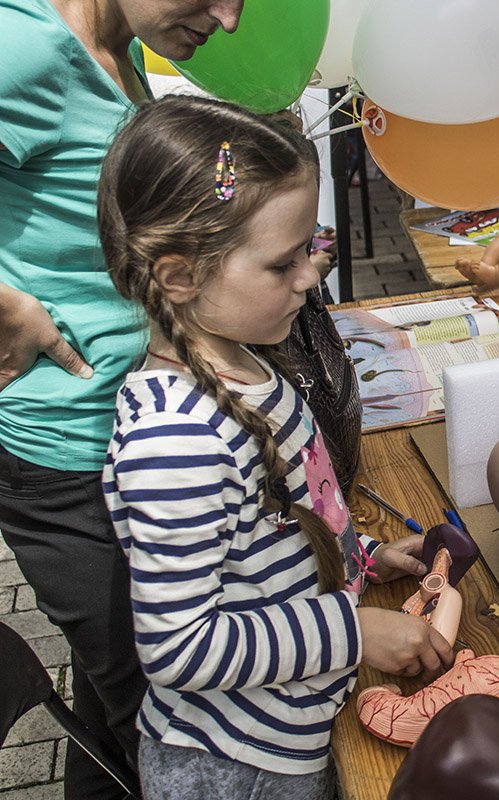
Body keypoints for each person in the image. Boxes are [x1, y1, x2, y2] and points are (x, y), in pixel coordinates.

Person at [97, 95, 455, 799]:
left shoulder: (249, 358)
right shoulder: (174, 442)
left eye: (311, 250)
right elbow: (179, 646)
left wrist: (362, 558)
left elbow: (290, 514)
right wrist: (353, 633)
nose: (310, 277)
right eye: (281, 264)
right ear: (178, 276)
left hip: (293, 720)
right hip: (240, 765)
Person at [0, 2, 241, 797]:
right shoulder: (22, 46)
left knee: (116, 716)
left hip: (124, 442)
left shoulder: (121, 52)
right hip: (65, 459)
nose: (229, 20)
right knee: (166, 727)